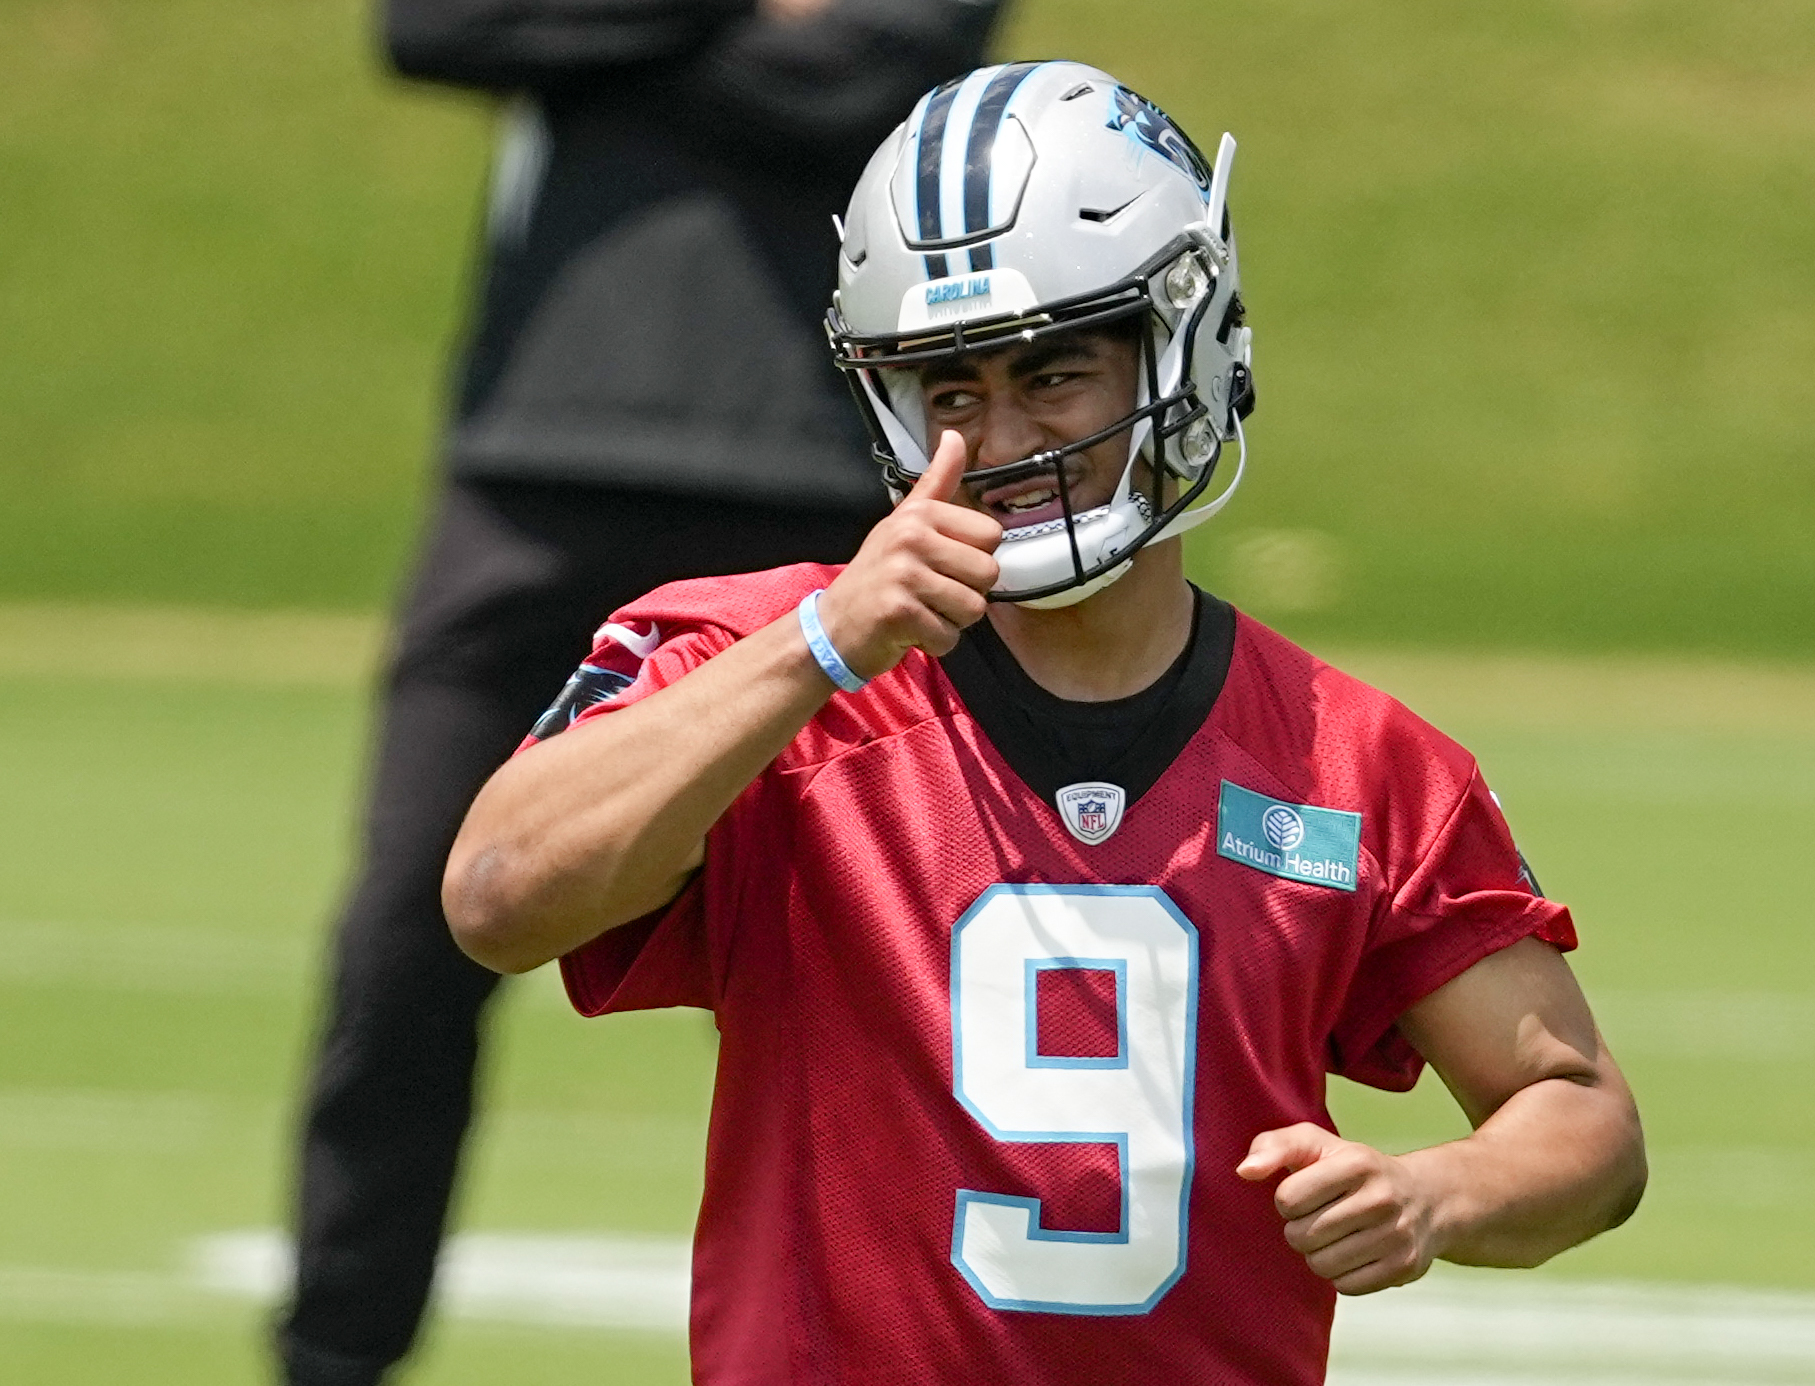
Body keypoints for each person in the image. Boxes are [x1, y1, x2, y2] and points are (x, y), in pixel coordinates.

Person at [443, 60, 1648, 1384]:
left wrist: (1436, 1196)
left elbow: (1579, 1117)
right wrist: (822, 646)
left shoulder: (1356, 761)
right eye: (950, 392)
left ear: (1179, 344)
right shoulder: (764, 666)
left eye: (1055, 373)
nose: (1002, 437)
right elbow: (497, 895)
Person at [279, 3, 1008, 1383]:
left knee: (911, 959)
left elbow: (855, 68)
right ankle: (333, 1357)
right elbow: (434, 28)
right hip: (536, 464)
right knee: (405, 933)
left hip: (823, 481)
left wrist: (609, 42)